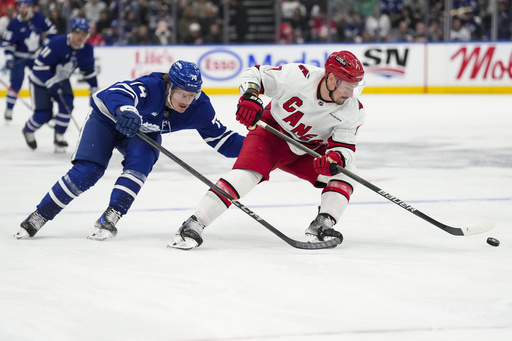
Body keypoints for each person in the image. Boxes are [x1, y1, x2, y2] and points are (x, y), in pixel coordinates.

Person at [15, 60, 245, 241]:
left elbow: (222, 141)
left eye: (191, 95)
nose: (186, 100)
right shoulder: (150, 87)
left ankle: (111, 215)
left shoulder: (200, 108)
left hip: (140, 133)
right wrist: (127, 110)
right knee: (89, 171)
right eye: (181, 94)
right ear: (169, 87)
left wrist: (257, 146)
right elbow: (119, 92)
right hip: (106, 120)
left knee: (142, 161)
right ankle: (40, 215)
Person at [169, 50, 366, 250]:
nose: (351, 93)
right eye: (348, 86)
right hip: (271, 135)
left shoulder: (353, 109)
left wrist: (336, 158)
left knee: (348, 173)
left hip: (309, 149)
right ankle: (194, 224)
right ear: (332, 79)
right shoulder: (297, 76)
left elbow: (345, 146)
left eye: (355, 87)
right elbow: (255, 74)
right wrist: (249, 97)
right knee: (245, 176)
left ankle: (323, 224)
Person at [21, 17, 98, 152]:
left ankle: (59, 137)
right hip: (39, 80)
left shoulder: (86, 50)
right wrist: (50, 83)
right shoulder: (57, 43)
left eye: (84, 34)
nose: (81, 37)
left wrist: (94, 90)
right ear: (72, 32)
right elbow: (38, 66)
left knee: (67, 105)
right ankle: (28, 129)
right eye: (78, 32)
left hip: (61, 79)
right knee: (44, 114)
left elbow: (89, 71)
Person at [1, 0, 56, 121]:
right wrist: (9, 58)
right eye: (20, 7)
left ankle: (46, 109)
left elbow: (52, 32)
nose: (22, 9)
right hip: (19, 57)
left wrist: (45, 45)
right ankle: (9, 109)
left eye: (25, 7)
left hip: (36, 56)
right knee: (16, 83)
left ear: (30, 8)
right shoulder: (14, 23)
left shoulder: (39, 17)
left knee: (43, 81)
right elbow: (8, 43)